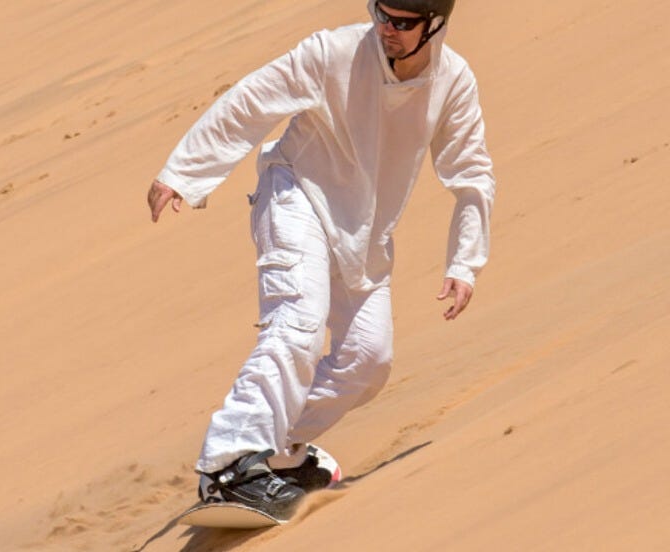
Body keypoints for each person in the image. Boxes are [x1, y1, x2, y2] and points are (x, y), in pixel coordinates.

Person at [145, 0, 494, 519]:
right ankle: (228, 463)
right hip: (297, 194)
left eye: (402, 23)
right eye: (381, 13)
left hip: (365, 229)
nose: (386, 29)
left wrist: (464, 262)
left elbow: (471, 172)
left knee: (368, 361)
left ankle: (279, 451)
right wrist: (184, 171)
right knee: (298, 323)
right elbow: (252, 100)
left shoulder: (453, 81)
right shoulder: (334, 52)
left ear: (435, 26)